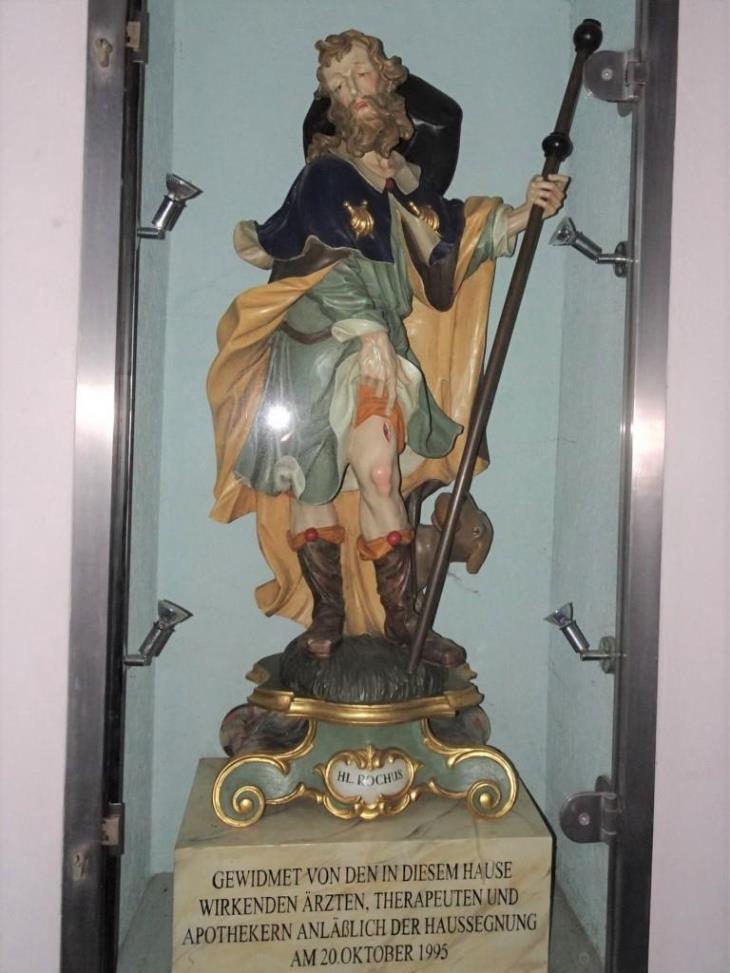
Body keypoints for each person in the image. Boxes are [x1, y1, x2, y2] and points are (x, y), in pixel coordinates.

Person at [208, 30, 566, 667]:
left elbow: (446, 243)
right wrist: (367, 330)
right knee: (313, 482)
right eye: (338, 84)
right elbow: (324, 263)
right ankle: (328, 614)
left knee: (380, 473)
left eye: (361, 76)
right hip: (315, 349)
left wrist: (525, 212)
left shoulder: (400, 183)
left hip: (374, 348)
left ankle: (402, 623)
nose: (352, 92)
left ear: (388, 82)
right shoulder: (323, 176)